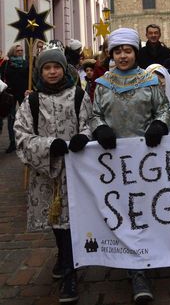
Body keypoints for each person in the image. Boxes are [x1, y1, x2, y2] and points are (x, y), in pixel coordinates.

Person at [91, 27, 170, 303]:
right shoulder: (103, 84)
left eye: (127, 50)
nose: (123, 56)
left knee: (148, 208)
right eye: (118, 51)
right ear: (112, 54)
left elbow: (164, 109)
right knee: (126, 212)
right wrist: (100, 128)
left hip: (146, 160)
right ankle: (136, 269)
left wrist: (160, 125)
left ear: (135, 52)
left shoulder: (150, 81)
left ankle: (152, 253)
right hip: (115, 162)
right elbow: (93, 114)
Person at [14, 48, 92, 303]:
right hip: (46, 172)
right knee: (56, 220)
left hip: (74, 170)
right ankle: (63, 256)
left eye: (56, 67)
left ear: (64, 69)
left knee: (71, 222)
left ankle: (70, 274)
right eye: (46, 68)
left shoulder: (78, 95)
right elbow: (22, 135)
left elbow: (89, 123)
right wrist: (48, 146)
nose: (52, 72)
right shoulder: (32, 101)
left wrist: (84, 138)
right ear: (40, 71)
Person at [0, 43, 29, 153]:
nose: (21, 52)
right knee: (11, 119)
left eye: (21, 50)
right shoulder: (6, 64)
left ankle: (25, 141)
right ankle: (12, 142)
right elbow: (2, 78)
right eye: (18, 50)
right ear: (13, 51)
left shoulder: (26, 64)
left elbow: (29, 78)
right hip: (10, 95)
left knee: (25, 118)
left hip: (23, 94)